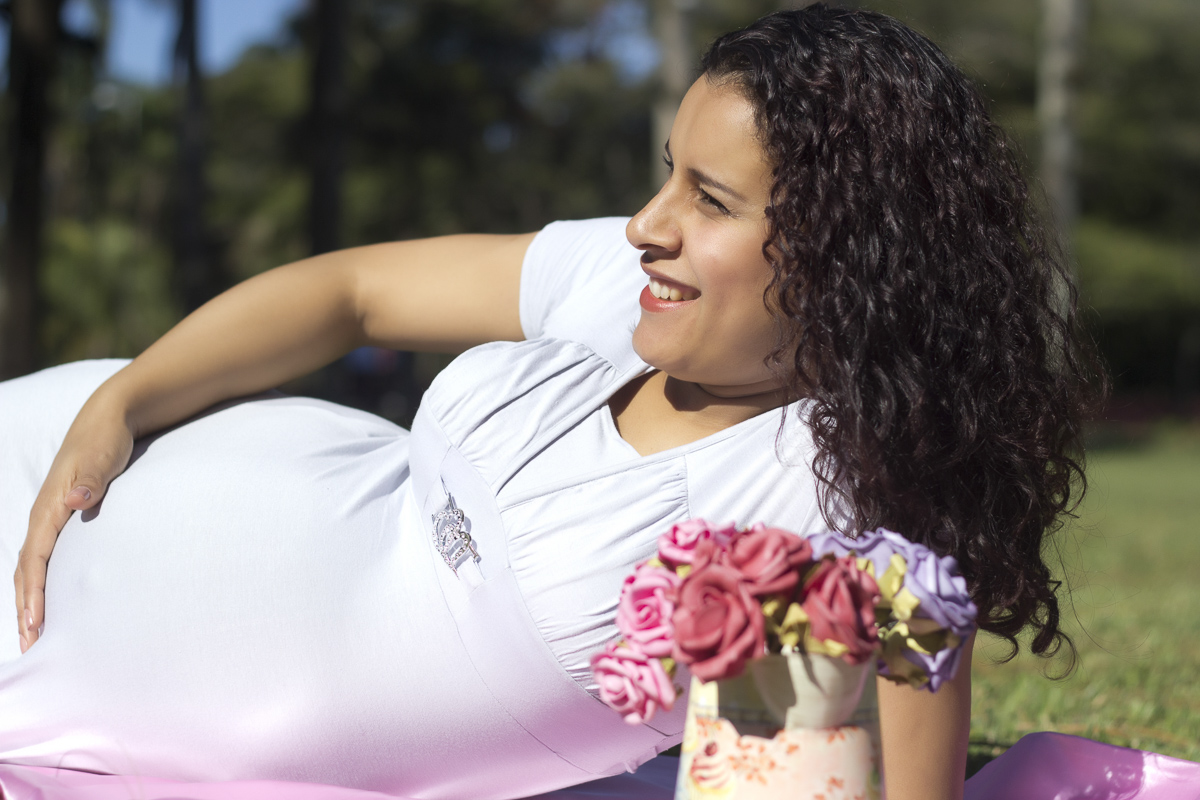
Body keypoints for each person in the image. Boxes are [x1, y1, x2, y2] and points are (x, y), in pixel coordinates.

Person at [0, 6, 1096, 800]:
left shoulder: (841, 505)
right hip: (60, 467)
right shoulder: (620, 289)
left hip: (102, 699)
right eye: (668, 172)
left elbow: (879, 763)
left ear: (854, 257)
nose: (644, 225)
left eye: (707, 199)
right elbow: (352, 291)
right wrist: (129, 396)